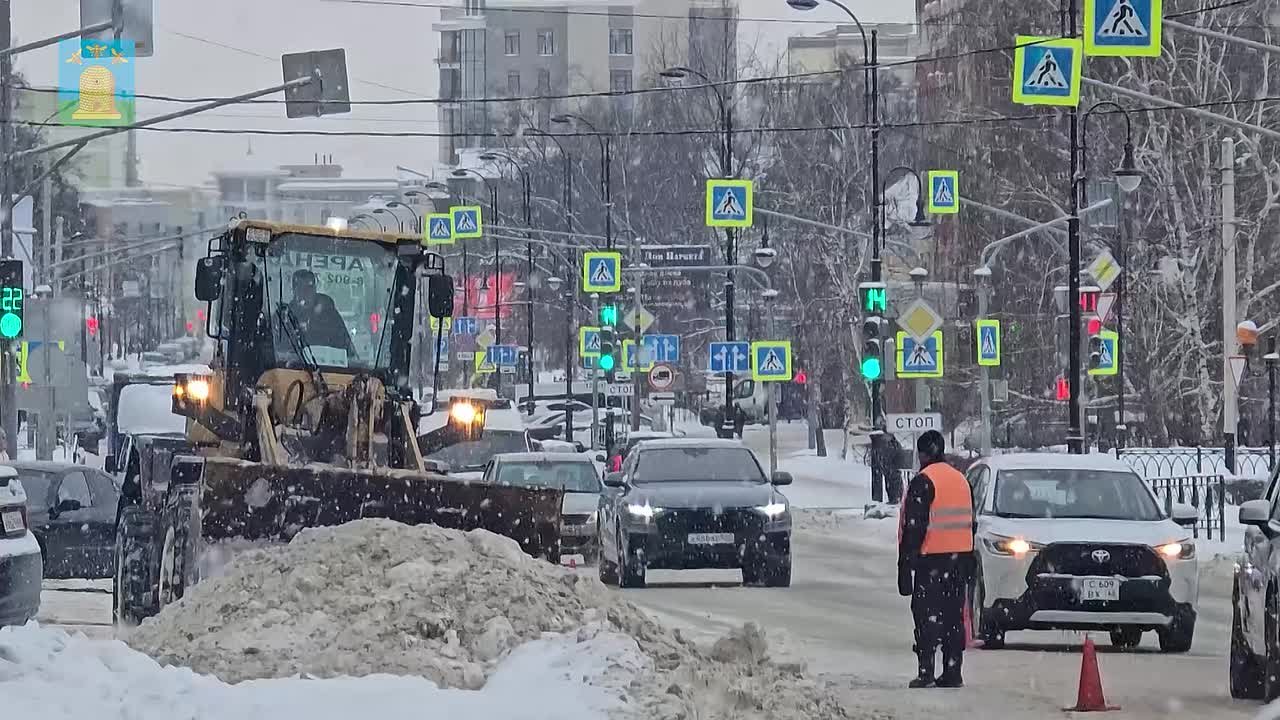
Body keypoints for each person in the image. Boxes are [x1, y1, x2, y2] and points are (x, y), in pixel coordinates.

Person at [897, 430, 975, 689]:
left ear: (922, 454)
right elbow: (970, 523)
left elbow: (914, 527)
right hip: (960, 560)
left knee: (927, 616)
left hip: (931, 561)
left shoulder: (924, 480)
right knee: (954, 618)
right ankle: (953, 671)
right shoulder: (961, 480)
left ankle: (926, 671)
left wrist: (905, 563)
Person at [287, 269, 357, 359]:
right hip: (292, 369)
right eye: (300, 288)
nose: (305, 292)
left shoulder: (330, 315)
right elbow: (279, 351)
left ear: (315, 289)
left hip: (329, 369)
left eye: (309, 287)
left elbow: (347, 350)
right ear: (293, 290)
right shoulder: (284, 317)